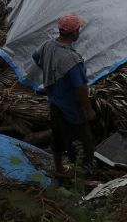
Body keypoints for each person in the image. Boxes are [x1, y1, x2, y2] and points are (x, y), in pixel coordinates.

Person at [32, 14, 96, 177]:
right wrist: (89, 110)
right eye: (78, 29)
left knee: (58, 137)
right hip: (71, 109)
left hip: (54, 103)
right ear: (74, 32)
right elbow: (80, 88)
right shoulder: (71, 59)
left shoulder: (48, 45)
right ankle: (82, 176)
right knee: (81, 142)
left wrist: (48, 71)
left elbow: (35, 57)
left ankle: (59, 168)